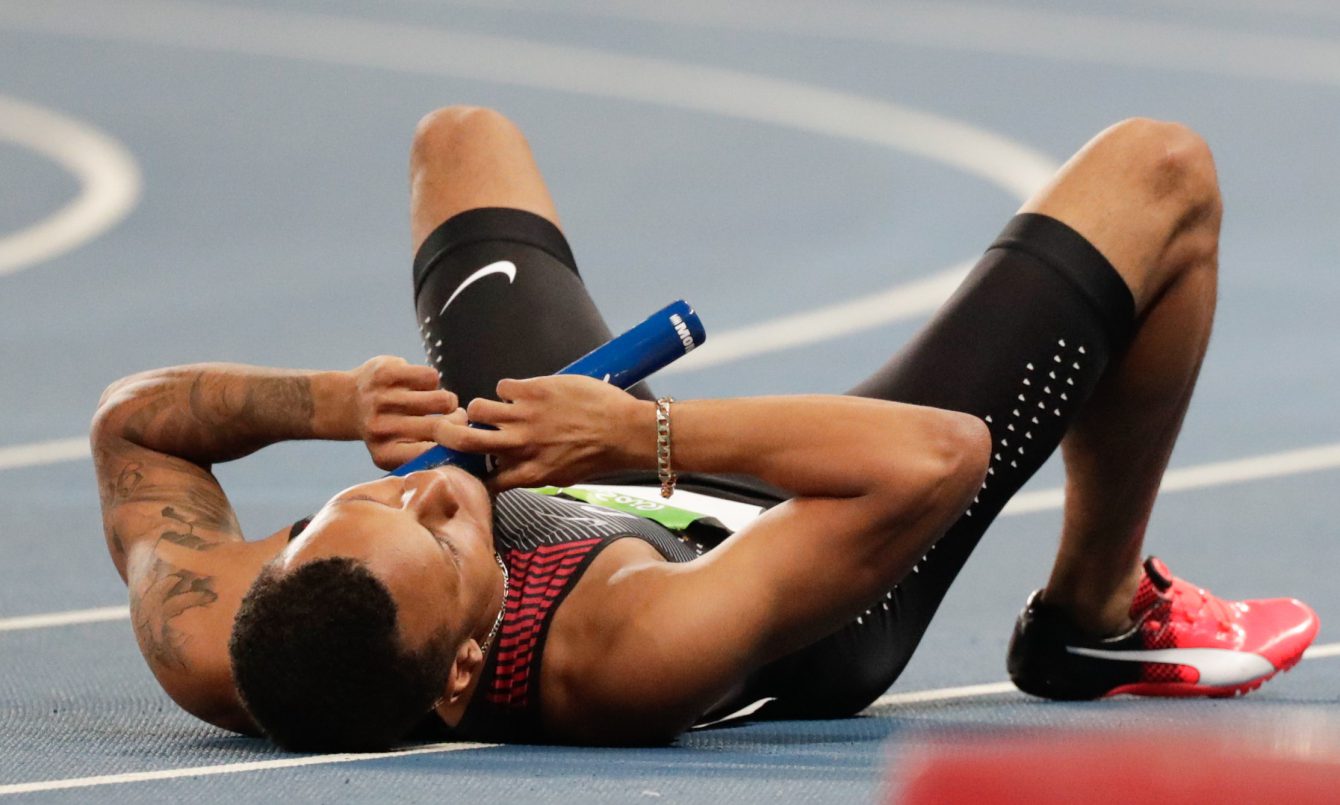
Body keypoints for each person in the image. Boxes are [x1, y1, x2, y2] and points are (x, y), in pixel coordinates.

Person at [91, 107, 1318, 751]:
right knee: (1164, 173)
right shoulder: (625, 652)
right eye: (441, 534)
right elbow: (929, 454)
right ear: (464, 670)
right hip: (804, 541)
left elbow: (130, 433)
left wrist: (320, 404)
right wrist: (638, 436)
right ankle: (1089, 618)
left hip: (572, 463)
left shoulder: (238, 642)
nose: (425, 487)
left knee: (459, 141)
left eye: (364, 501)